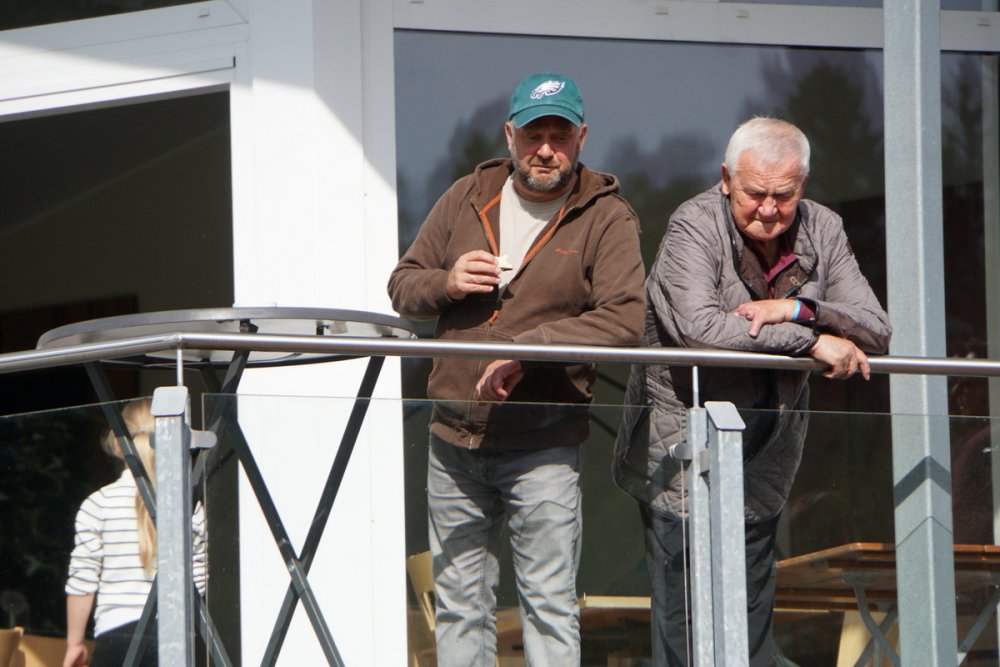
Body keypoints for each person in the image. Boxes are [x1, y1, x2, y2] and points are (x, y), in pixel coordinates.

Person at [613, 117, 892, 666]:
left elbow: (876, 329)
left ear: (802, 186)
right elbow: (703, 330)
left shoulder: (824, 228)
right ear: (725, 179)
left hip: (766, 460)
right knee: (685, 631)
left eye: (783, 196)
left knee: (750, 629)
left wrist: (796, 309)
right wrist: (812, 342)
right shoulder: (692, 225)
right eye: (754, 193)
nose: (768, 209)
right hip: (680, 456)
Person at [388, 72, 645, 666]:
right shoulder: (465, 195)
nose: (546, 149)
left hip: (544, 443)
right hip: (453, 439)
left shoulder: (607, 217)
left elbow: (626, 320)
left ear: (582, 138)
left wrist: (530, 348)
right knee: (459, 608)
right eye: (533, 134)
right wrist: (447, 282)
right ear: (510, 135)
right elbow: (403, 286)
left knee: (548, 609)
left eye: (560, 135)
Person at [64, 398, 207, 667]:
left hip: (115, 636)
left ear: (117, 445)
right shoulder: (187, 505)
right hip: (172, 635)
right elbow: (197, 579)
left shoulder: (98, 504)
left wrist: (75, 643)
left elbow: (82, 580)